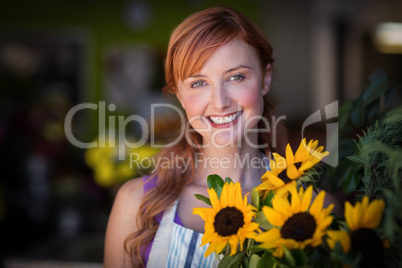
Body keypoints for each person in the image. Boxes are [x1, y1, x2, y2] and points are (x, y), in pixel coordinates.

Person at [103, 6, 335, 267]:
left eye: (236, 77)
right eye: (198, 83)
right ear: (179, 95)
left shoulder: (314, 210)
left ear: (265, 79)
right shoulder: (137, 204)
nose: (220, 102)